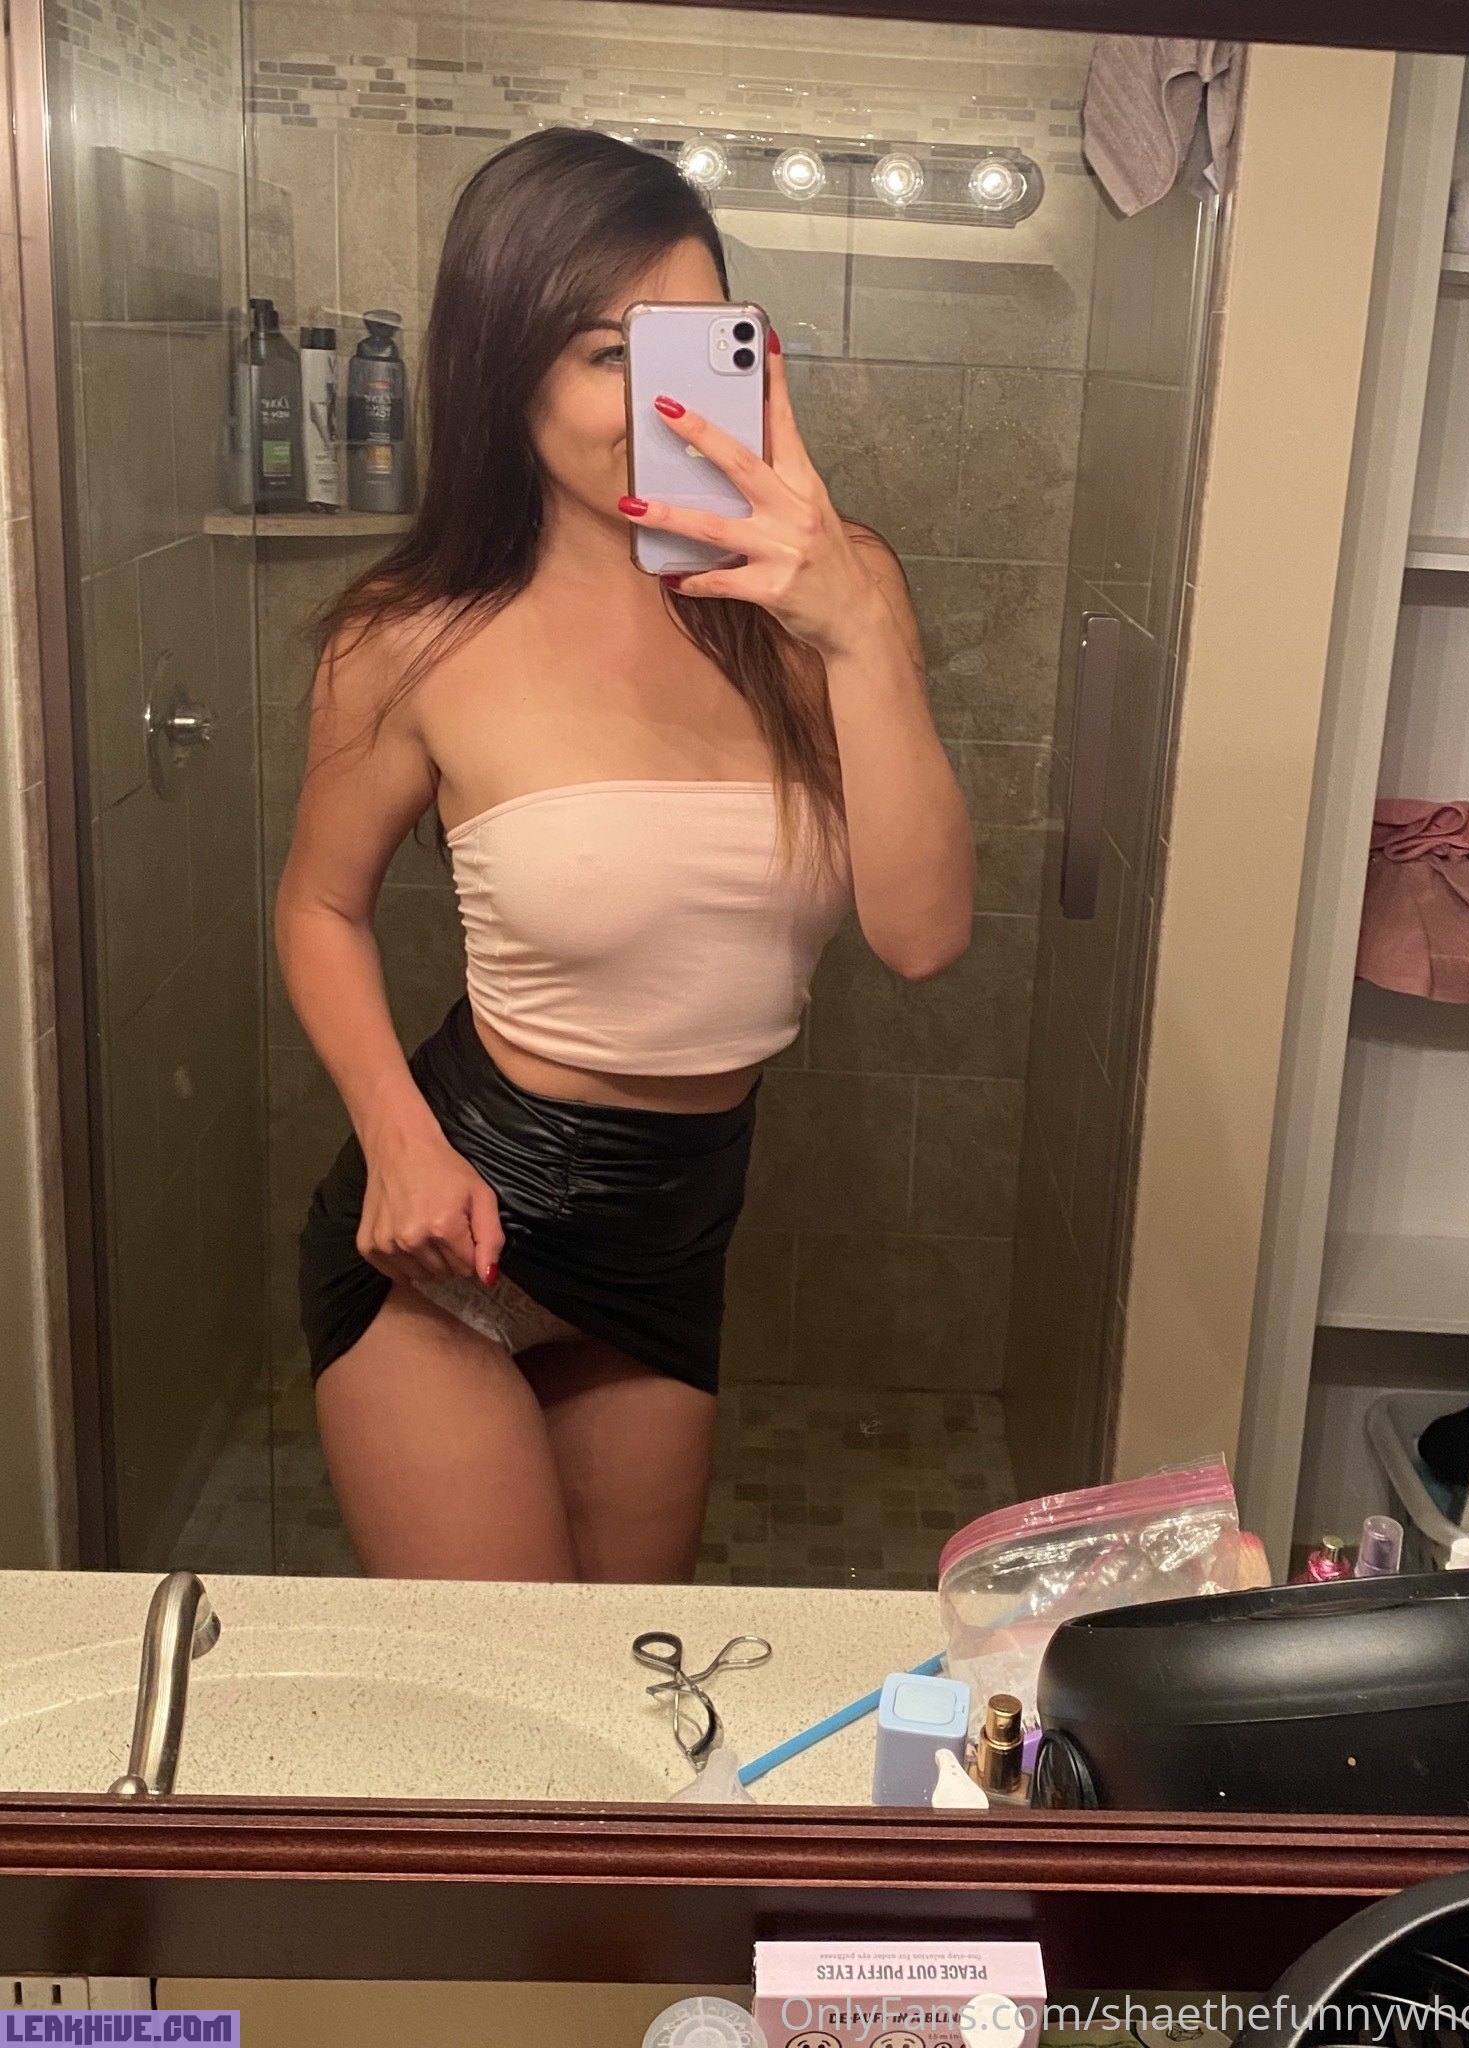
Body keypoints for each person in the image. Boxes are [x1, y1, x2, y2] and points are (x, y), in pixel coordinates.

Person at [276, 127, 975, 1586]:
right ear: (505, 367)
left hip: (672, 1239)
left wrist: (853, 627)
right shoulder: (412, 636)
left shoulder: (840, 594)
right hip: (450, 1230)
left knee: (624, 1687)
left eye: (698, 343)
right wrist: (399, 1139)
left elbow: (923, 937)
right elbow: (320, 908)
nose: (661, 399)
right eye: (609, 352)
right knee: (511, 1695)